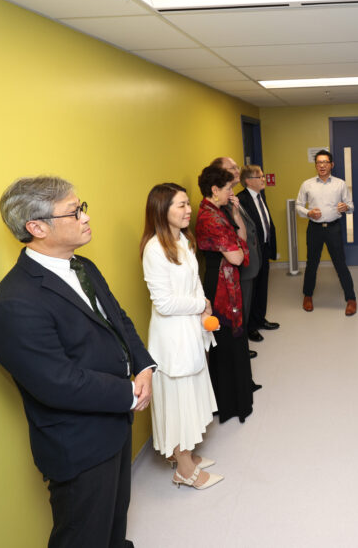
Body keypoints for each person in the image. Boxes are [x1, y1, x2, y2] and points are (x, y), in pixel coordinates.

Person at [0, 176, 156, 548]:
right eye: (75, 211)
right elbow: (58, 382)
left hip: (113, 422)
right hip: (79, 444)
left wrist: (144, 366)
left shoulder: (84, 267)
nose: (86, 216)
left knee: (113, 524)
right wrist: (128, 393)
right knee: (83, 535)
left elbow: (118, 319)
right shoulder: (15, 303)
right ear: (36, 227)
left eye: (82, 206)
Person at [140, 183, 223, 490]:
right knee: (178, 400)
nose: (188, 210)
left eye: (188, 204)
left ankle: (185, 454)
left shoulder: (184, 240)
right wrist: (200, 304)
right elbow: (164, 303)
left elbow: (195, 282)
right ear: (162, 210)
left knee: (190, 396)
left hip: (190, 327)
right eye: (181, 205)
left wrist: (204, 307)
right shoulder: (155, 249)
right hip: (172, 335)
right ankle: (184, 469)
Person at [195, 165, 254, 424]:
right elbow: (238, 256)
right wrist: (238, 248)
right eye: (229, 187)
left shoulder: (220, 211)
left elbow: (240, 235)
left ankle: (239, 397)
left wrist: (236, 210)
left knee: (234, 341)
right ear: (215, 189)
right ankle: (229, 403)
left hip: (227, 280)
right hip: (219, 286)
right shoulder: (210, 218)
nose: (232, 191)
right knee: (226, 342)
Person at [296, 149, 357, 316]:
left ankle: (351, 298)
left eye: (325, 162)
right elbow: (298, 205)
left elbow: (351, 205)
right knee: (312, 263)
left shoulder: (340, 184)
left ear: (332, 165)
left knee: (340, 263)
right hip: (314, 229)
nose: (322, 165)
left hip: (333, 228)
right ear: (315, 165)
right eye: (319, 162)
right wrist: (308, 212)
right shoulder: (307, 184)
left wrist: (346, 207)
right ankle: (307, 295)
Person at [212, 157, 264, 345]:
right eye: (231, 167)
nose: (237, 170)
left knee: (247, 304)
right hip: (236, 265)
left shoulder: (232, 197)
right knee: (240, 309)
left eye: (236, 167)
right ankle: (240, 346)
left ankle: (243, 344)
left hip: (248, 260)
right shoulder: (220, 204)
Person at [237, 164, 279, 336]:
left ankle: (260, 319)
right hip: (253, 251)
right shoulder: (241, 200)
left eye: (263, 176)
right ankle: (250, 327)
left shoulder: (260, 196)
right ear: (248, 181)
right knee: (251, 290)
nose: (263, 179)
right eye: (259, 177)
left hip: (264, 247)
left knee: (262, 287)